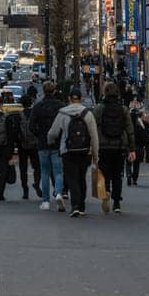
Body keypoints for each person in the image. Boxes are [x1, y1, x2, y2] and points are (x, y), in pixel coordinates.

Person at [47, 86, 99, 217]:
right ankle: (81, 206)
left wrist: (50, 141)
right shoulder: (88, 114)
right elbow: (94, 135)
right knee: (81, 177)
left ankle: (74, 205)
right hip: (85, 151)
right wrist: (95, 154)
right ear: (81, 99)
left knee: (72, 178)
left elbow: (52, 132)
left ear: (69, 99)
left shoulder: (63, 113)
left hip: (67, 150)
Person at [92, 84, 135, 214]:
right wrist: (131, 148)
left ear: (105, 93)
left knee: (105, 173)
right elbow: (129, 129)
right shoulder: (123, 109)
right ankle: (116, 203)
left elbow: (92, 127)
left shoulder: (99, 108)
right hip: (119, 146)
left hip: (103, 146)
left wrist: (92, 146)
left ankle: (106, 192)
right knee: (118, 174)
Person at [32, 81, 66, 210]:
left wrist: (40, 135)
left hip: (42, 143)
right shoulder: (61, 106)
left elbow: (31, 125)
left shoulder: (38, 106)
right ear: (54, 91)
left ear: (43, 91)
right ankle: (58, 193)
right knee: (58, 172)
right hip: (57, 143)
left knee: (44, 172)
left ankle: (45, 201)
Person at [16, 96, 40, 200]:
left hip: (22, 145)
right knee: (37, 167)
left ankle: (25, 190)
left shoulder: (18, 115)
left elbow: (16, 131)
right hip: (35, 144)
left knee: (23, 169)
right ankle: (37, 183)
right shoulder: (35, 114)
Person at [129, 106, 149, 187]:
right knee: (136, 164)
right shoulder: (140, 124)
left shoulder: (128, 125)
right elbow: (148, 128)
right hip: (138, 147)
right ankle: (134, 179)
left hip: (129, 146)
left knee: (128, 163)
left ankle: (129, 176)